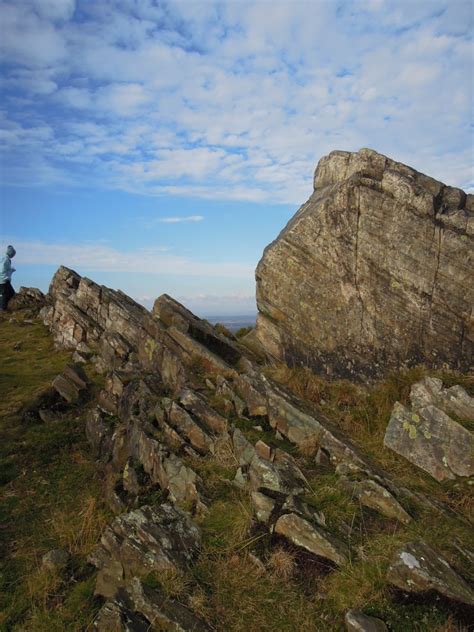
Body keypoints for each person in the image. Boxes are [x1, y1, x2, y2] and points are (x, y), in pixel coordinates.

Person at [0, 245, 16, 311]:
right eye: (13, 254)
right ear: (10, 253)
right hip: (3, 280)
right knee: (6, 294)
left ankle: (4, 308)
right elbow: (2, 270)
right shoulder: (5, 259)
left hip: (4, 280)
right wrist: (4, 278)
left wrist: (11, 270)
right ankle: (2, 309)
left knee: (9, 294)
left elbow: (6, 269)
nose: (13, 255)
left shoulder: (6, 258)